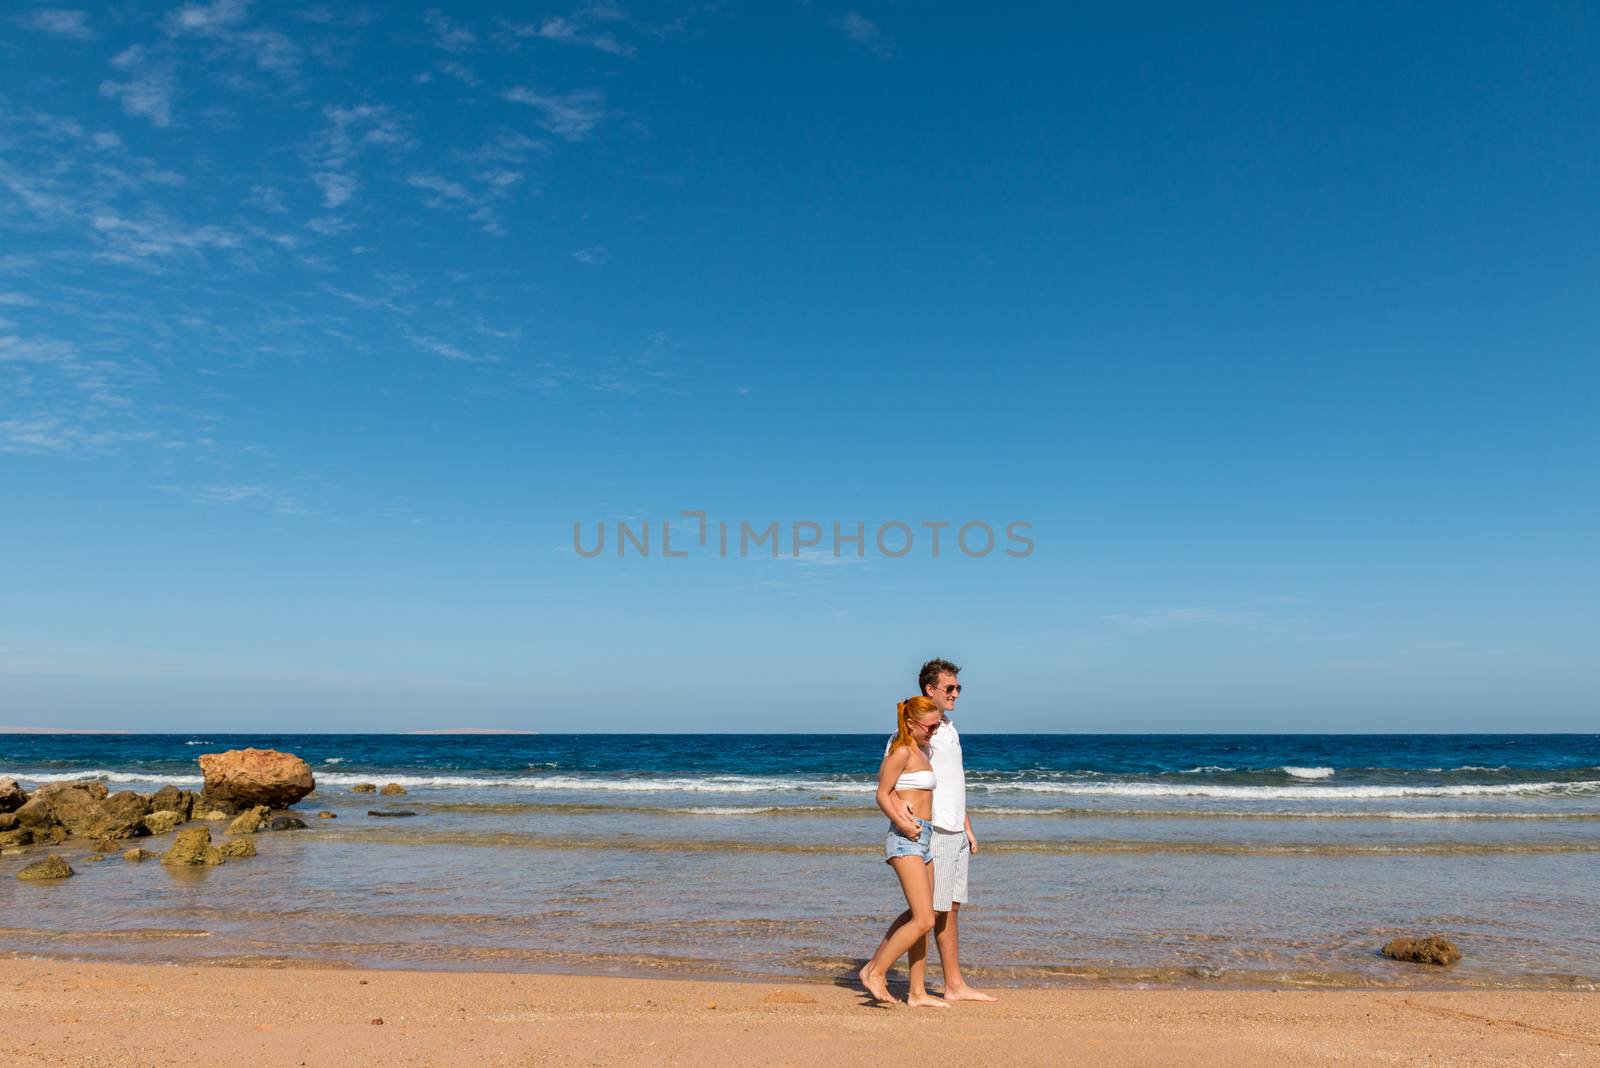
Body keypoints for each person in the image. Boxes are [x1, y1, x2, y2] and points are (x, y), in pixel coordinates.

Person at [874, 658, 996, 1002]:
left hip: (955, 829)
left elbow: (953, 783)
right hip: (935, 830)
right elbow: (892, 779)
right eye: (950, 688)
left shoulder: (949, 729)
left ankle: (953, 984)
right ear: (930, 689)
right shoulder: (919, 731)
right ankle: (883, 971)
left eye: (959, 687)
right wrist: (902, 812)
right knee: (927, 912)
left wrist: (967, 825)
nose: (956, 693)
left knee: (950, 908)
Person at [858, 695, 949, 1007]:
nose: (935, 730)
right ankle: (875, 971)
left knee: (924, 914)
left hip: (924, 836)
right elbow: (882, 794)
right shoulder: (900, 751)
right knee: (923, 919)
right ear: (911, 723)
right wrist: (902, 821)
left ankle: (917, 992)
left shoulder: (923, 750)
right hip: (905, 838)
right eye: (931, 725)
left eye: (937, 724)